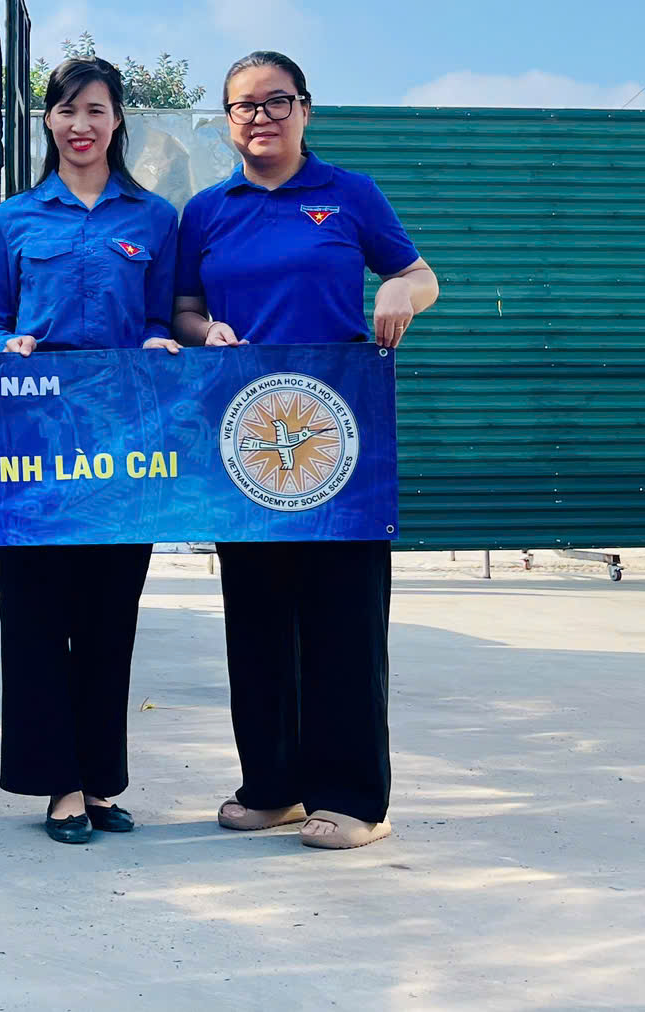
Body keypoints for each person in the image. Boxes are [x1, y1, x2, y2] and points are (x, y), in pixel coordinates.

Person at [174, 50, 438, 851]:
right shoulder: (205, 211)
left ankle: (356, 800)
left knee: (342, 616)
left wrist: (399, 289)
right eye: (245, 106)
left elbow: (421, 275)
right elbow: (183, 309)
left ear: (305, 110)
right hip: (245, 438)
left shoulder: (350, 194)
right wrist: (204, 330)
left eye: (277, 101)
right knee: (256, 614)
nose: (261, 117)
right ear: (227, 121)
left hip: (338, 436)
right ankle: (273, 787)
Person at [0, 56, 181, 845]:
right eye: (66, 110)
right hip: (36, 445)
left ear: (118, 119)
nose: (80, 125)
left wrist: (158, 341)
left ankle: (100, 781)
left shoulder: (155, 219)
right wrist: (5, 348)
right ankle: (57, 783)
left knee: (108, 615)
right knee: (35, 614)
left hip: (124, 442)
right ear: (48, 122)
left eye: (95, 110)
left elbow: (162, 317)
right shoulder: (16, 219)